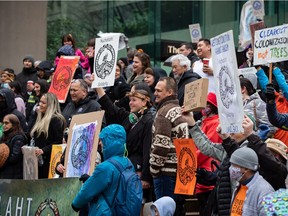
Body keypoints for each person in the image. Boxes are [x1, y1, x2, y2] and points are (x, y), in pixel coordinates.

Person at [96, 82, 154, 207]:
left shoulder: (148, 121)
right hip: (127, 169)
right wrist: (98, 87)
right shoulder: (132, 117)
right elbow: (111, 108)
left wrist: (145, 177)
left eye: (134, 100)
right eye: (130, 100)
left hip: (137, 171)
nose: (130, 103)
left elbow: (147, 150)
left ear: (144, 102)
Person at [71, 124, 133, 215]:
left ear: (109, 141)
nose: (100, 143)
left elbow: (88, 190)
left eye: (102, 140)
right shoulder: (128, 163)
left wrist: (75, 204)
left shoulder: (105, 167)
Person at [149, 77, 189, 215]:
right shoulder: (180, 110)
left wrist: (154, 169)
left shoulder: (163, 113)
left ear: (170, 92)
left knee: (163, 212)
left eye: (159, 90)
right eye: (155, 90)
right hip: (180, 173)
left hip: (165, 173)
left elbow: (161, 145)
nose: (155, 93)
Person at [229, 147, 274, 215]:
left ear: (246, 169)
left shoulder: (265, 191)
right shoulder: (239, 184)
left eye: (234, 166)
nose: (231, 169)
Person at [30, 93, 66, 178]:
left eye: (43, 103)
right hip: (38, 160)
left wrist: (43, 150)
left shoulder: (56, 119)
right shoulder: (39, 117)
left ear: (50, 105)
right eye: (40, 102)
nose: (40, 104)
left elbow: (58, 142)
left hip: (50, 161)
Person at [0, 114, 27, 179]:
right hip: (4, 173)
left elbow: (14, 157)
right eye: (3, 123)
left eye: (7, 123)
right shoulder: (4, 136)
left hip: (14, 175)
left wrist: (2, 159)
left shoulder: (19, 137)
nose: (4, 125)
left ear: (14, 124)